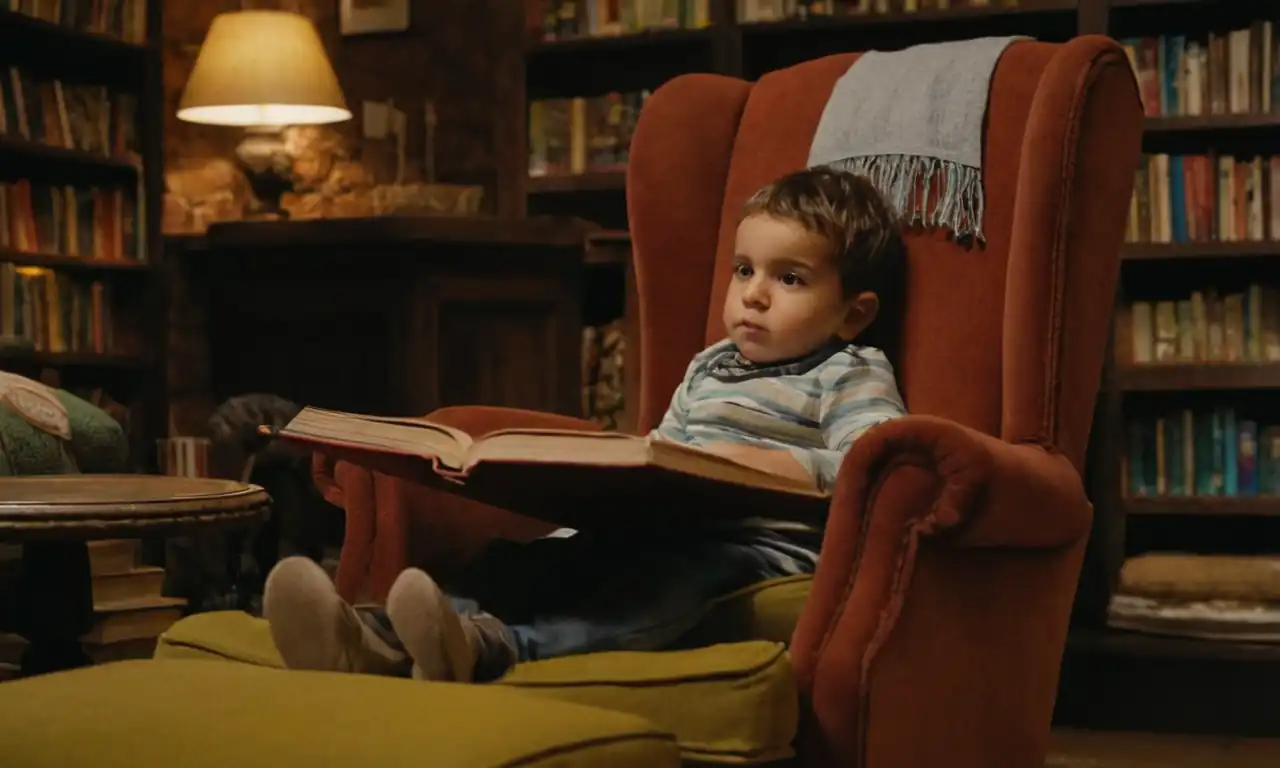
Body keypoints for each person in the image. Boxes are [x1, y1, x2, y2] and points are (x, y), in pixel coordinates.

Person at [262, 166, 909, 682]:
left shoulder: (848, 369)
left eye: (788, 278)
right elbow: (666, 451)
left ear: (853, 314)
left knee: (659, 587)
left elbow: (880, 460)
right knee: (524, 560)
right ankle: (376, 635)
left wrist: (789, 467)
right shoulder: (709, 366)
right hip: (662, 525)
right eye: (744, 270)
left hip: (754, 547)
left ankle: (496, 648)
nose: (754, 294)